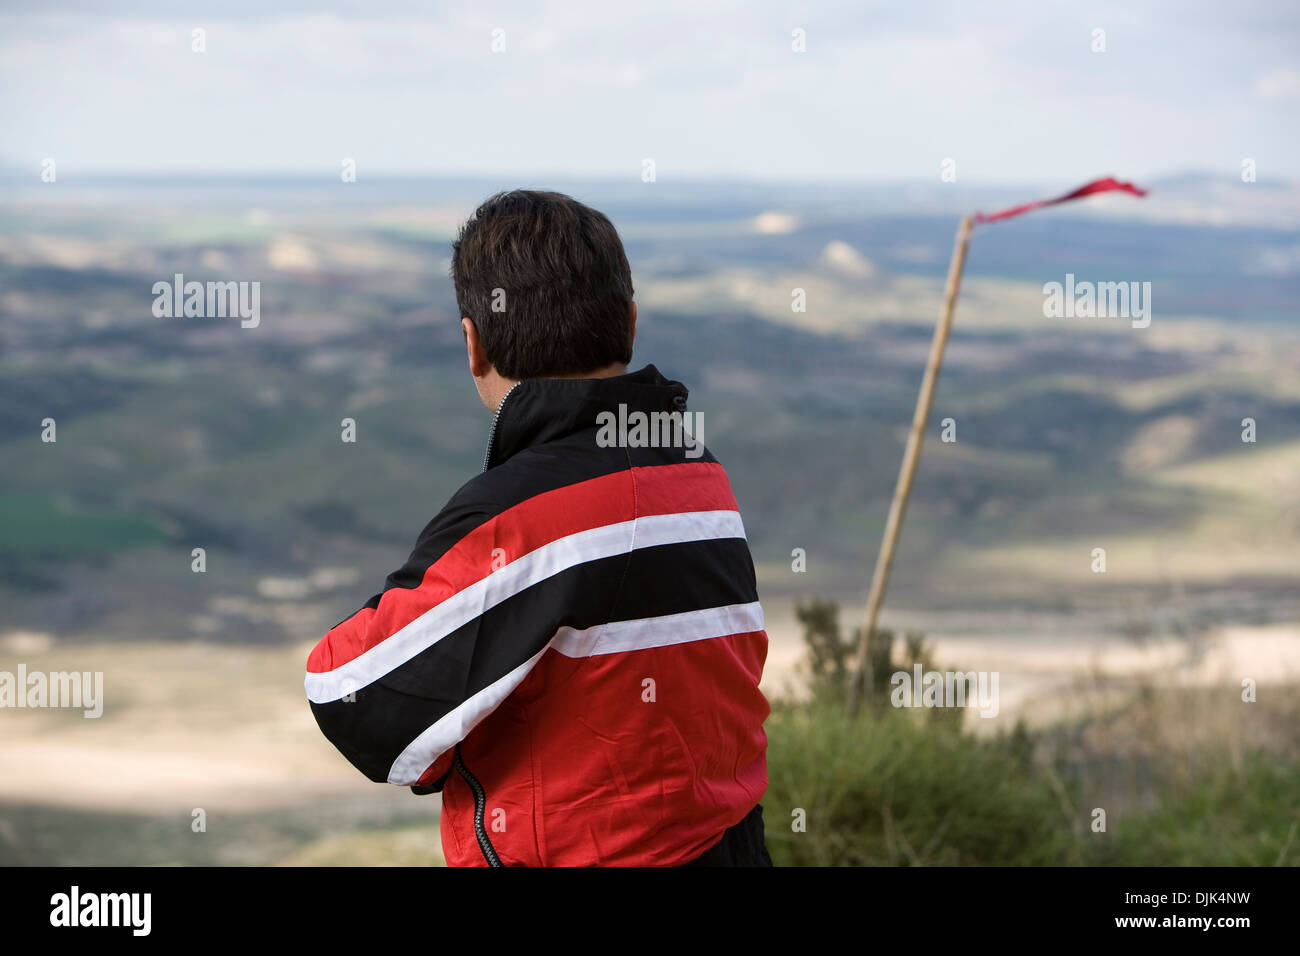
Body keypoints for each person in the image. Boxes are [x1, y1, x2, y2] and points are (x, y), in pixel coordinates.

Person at [305, 189, 772, 866]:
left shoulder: (523, 514)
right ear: (631, 323)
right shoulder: (699, 474)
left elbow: (350, 692)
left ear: (474, 343)